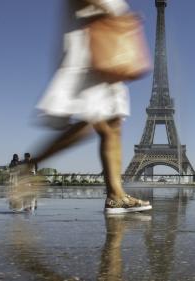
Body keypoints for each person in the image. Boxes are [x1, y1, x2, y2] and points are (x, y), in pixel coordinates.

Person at [27, 0, 151, 213]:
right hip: (93, 44)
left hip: (107, 44)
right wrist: (111, 11)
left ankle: (116, 195)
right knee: (93, 122)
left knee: (113, 125)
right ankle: (28, 167)